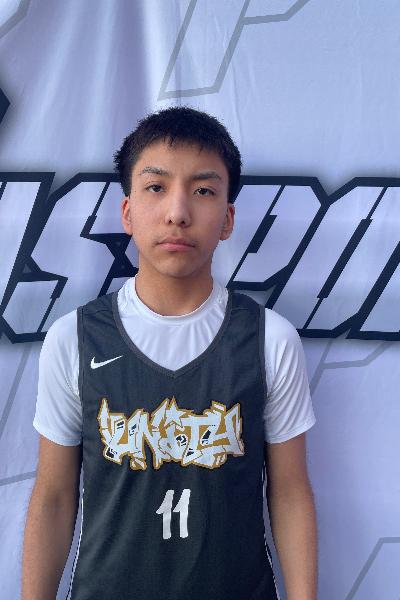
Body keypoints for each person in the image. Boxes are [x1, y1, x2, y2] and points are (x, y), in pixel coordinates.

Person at [22, 107, 318, 600]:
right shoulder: (73, 338)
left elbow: (289, 492)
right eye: (156, 187)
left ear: (227, 219)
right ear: (127, 212)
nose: (177, 212)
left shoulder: (270, 339)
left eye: (203, 191)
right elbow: (53, 497)